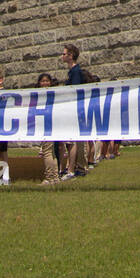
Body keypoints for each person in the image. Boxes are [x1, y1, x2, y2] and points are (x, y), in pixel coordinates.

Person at [61, 45, 87, 179]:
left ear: (70, 56)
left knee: (73, 140)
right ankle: (80, 167)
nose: (62, 56)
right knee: (77, 140)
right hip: (75, 109)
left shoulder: (75, 71)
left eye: (64, 54)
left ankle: (72, 169)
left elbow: (74, 91)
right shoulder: (73, 71)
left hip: (75, 109)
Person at [36, 72, 60, 187]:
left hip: (48, 125)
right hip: (48, 124)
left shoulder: (48, 95)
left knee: (47, 152)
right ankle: (55, 177)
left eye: (47, 81)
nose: (45, 83)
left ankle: (49, 177)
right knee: (52, 152)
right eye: (43, 81)